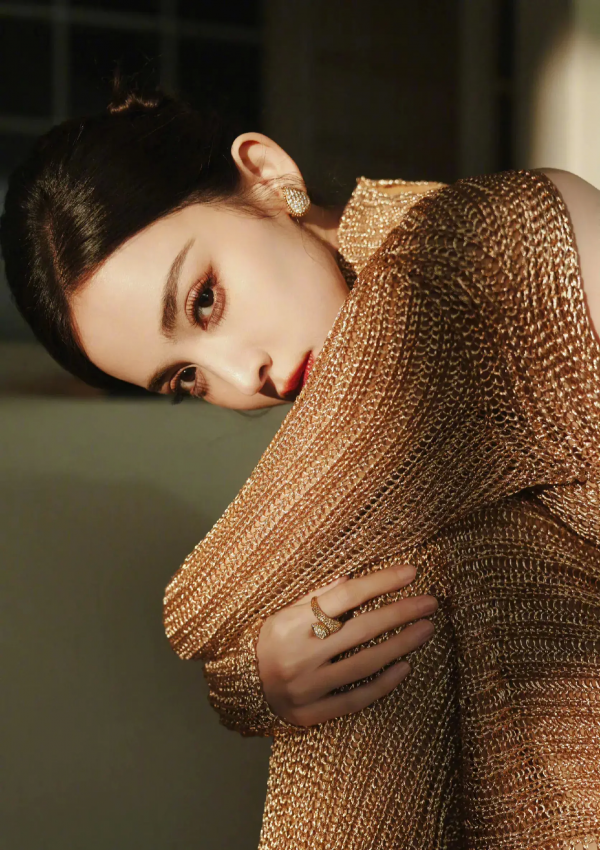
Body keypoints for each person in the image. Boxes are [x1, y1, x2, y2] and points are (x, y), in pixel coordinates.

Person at [1, 84, 599, 849]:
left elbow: (209, 608)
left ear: (265, 173)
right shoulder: (360, 500)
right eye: (185, 380)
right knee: (368, 626)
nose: (238, 377)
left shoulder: (483, 244)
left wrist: (243, 682)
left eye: (206, 300)